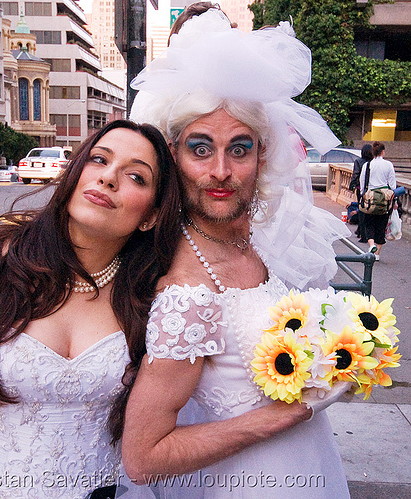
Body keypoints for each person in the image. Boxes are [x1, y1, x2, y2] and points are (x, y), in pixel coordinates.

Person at [114, 10, 353, 498]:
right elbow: (143, 457)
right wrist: (290, 412)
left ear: (262, 154)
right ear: (173, 157)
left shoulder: (259, 241)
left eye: (238, 149)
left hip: (310, 467)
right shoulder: (188, 293)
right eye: (200, 149)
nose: (220, 170)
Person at [0, 120, 181, 498]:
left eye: (136, 177)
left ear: (151, 215)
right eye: (99, 160)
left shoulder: (152, 293)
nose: (108, 178)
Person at [360, 141, 397, 260]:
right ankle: (377, 254)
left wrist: (363, 195)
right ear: (382, 151)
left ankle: (371, 245)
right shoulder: (388, 165)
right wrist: (394, 199)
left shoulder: (367, 165)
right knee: (382, 224)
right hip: (384, 198)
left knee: (369, 223)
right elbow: (392, 184)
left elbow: (362, 182)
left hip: (371, 197)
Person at [349, 143, 373, 242]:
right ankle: (365, 232)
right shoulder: (372, 162)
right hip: (372, 189)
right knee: (370, 211)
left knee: (362, 209)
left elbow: (356, 174)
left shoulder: (358, 162)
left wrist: (352, 185)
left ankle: (362, 232)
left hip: (361, 188)